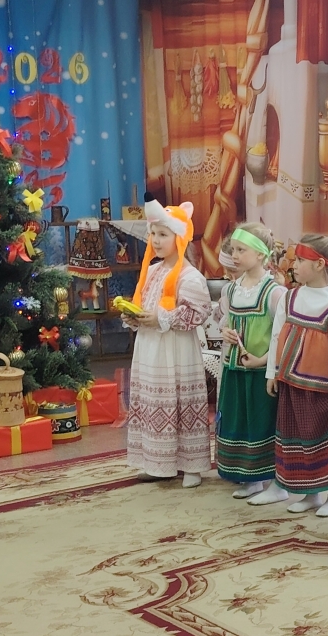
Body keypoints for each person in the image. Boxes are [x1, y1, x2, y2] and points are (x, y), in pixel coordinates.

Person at [124, 194, 212, 487]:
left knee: (180, 402)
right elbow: (145, 303)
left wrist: (163, 318)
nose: (156, 240)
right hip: (150, 349)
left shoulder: (190, 277)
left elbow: (198, 313)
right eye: (153, 234)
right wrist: (134, 316)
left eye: (163, 234)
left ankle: (191, 466)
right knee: (154, 402)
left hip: (176, 350)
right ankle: (158, 462)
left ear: (180, 238)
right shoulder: (151, 271)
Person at [266, 234, 328, 516]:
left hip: (321, 388)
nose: (294, 265)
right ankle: (310, 493)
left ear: (319, 264)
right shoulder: (289, 297)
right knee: (299, 438)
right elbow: (276, 337)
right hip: (292, 383)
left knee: (324, 438)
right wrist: (272, 373)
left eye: (301, 260)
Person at [216, 223, 288, 505]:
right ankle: (251, 477)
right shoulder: (231, 290)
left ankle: (276, 482)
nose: (234, 255)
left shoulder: (274, 292)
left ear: (260, 254)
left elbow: (283, 335)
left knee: (263, 423)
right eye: (233, 249)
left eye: (241, 250)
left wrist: (265, 360)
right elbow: (226, 322)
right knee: (240, 421)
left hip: (260, 372)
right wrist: (226, 332)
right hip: (235, 369)